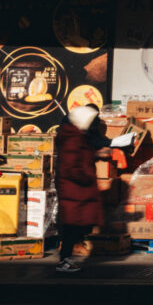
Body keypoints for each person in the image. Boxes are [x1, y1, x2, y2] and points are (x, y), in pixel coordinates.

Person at [53, 104, 107, 275]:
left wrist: (95, 156)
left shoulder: (76, 136)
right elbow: (70, 166)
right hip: (75, 189)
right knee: (73, 226)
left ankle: (66, 258)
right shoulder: (73, 138)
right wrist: (86, 177)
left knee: (79, 224)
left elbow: (80, 157)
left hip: (77, 190)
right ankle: (64, 260)